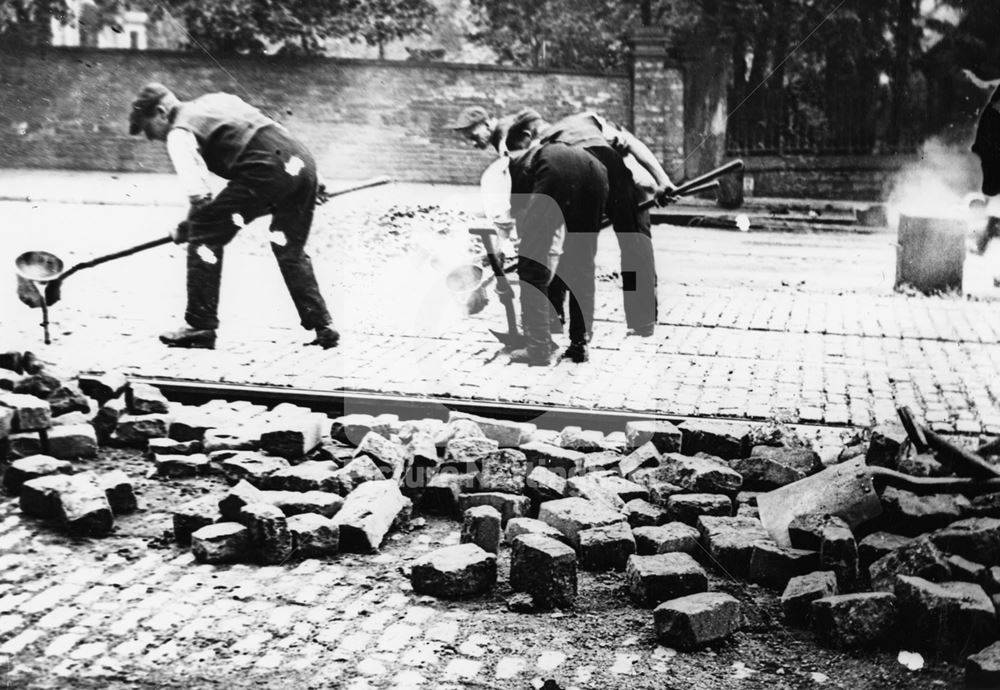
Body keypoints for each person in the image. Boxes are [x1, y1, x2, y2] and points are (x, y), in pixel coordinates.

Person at [128, 83, 339, 350]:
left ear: (160, 112)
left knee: (204, 237)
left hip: (265, 169)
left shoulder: (179, 132)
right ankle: (323, 325)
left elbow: (200, 197)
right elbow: (275, 130)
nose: (151, 138)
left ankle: (199, 326)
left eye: (148, 129)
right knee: (289, 248)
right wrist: (313, 179)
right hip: (302, 161)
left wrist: (188, 229)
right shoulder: (218, 100)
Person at [516, 110, 677, 337]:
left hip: (579, 172)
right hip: (610, 166)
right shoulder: (588, 120)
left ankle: (555, 317)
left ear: (528, 134)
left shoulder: (543, 143)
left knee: (566, 244)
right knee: (635, 240)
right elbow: (631, 144)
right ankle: (643, 320)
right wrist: (663, 181)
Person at [506, 132, 609, 365]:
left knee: (531, 264)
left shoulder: (514, 165)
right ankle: (579, 344)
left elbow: (521, 215)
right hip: (597, 172)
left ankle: (538, 348)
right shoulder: (542, 153)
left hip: (556, 173)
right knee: (582, 264)